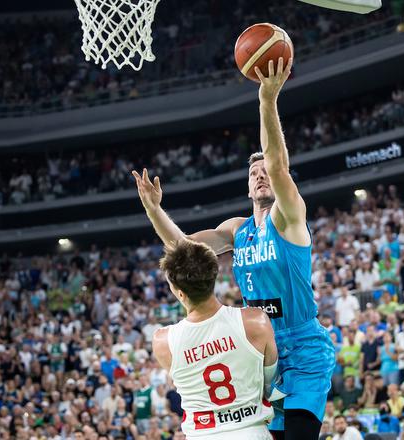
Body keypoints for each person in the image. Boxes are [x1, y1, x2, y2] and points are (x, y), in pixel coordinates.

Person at [132, 57, 335, 440]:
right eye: (253, 174)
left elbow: (277, 166)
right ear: (246, 188)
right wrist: (154, 210)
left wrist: (267, 100)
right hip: (259, 348)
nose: (261, 176)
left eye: (265, 173)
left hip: (303, 345)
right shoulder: (236, 230)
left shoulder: (288, 217)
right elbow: (182, 247)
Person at [150, 240, 277, 439]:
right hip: (252, 431)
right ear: (213, 277)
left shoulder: (163, 342)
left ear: (179, 292)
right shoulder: (255, 321)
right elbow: (270, 382)